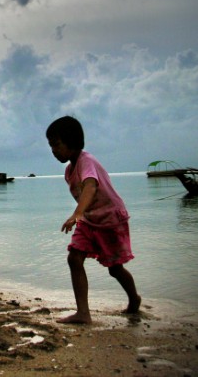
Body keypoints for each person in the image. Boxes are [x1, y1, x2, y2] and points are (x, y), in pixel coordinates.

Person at [46, 116, 141, 324]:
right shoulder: (69, 170)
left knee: (115, 268)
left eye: (57, 145)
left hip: (110, 220)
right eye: (50, 146)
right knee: (74, 258)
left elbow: (90, 186)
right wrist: (81, 215)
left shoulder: (86, 161)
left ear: (71, 141)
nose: (53, 150)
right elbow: (84, 194)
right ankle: (83, 313)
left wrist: (77, 214)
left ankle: (134, 298)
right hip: (89, 220)